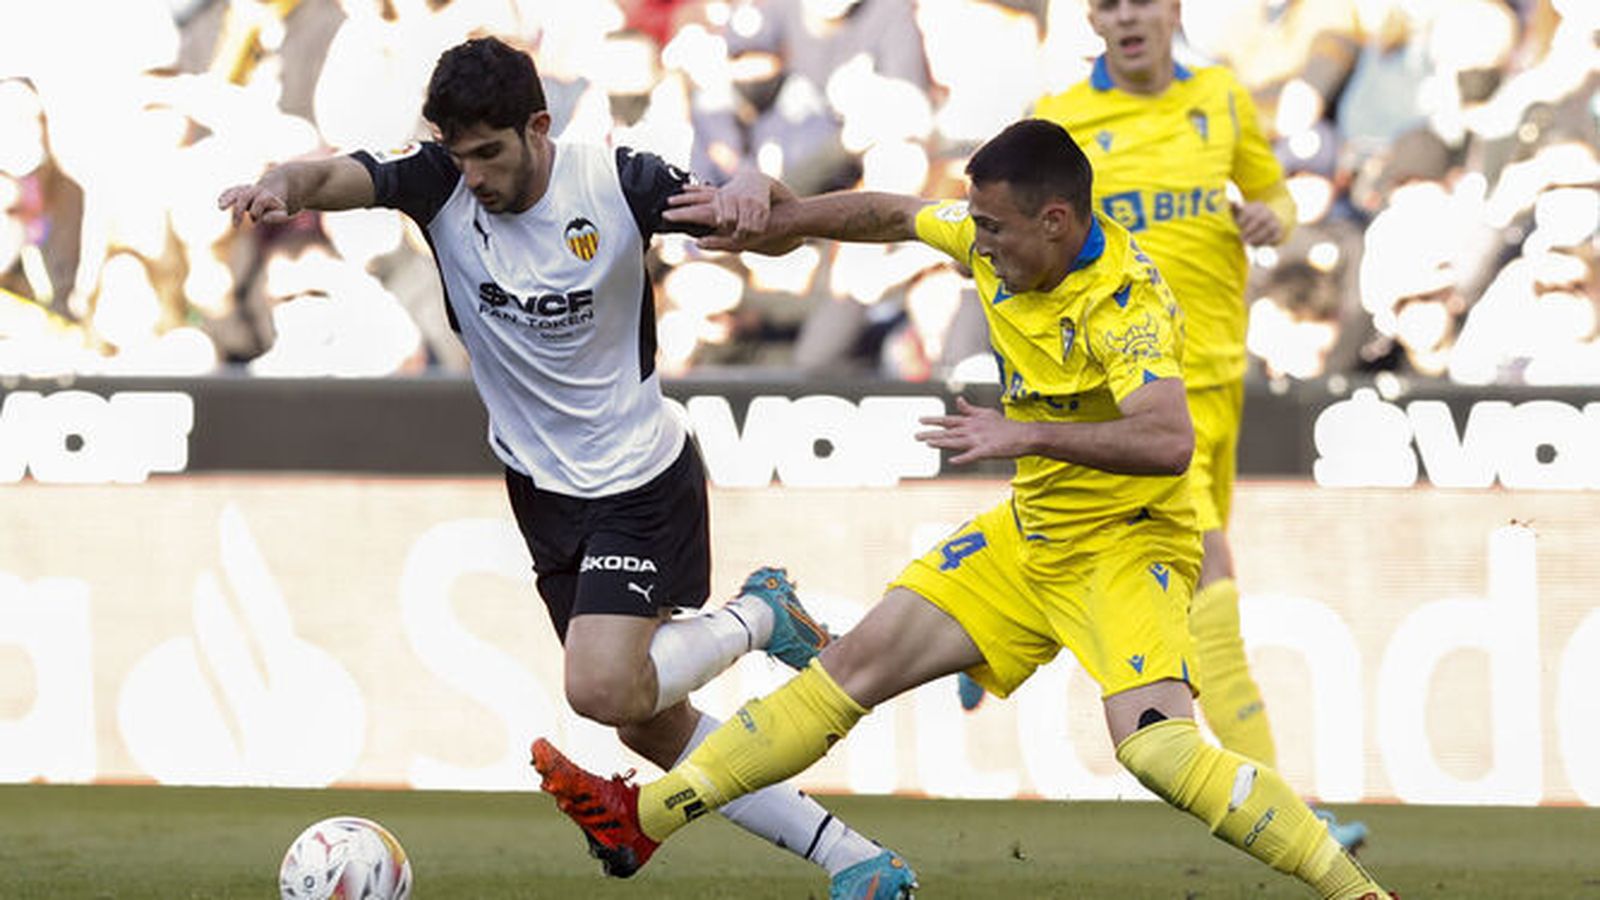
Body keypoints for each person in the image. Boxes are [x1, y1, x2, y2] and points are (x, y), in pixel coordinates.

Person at [531, 118, 1395, 900]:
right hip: (1032, 539)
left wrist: (1026, 434)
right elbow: (897, 216)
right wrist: (792, 220)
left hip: (1126, 549)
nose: (976, 241)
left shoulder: (1122, 305)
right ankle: (644, 819)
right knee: (850, 669)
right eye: (975, 224)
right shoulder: (994, 239)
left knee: (1156, 749)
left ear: (1055, 222)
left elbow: (1169, 439)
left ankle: (1359, 895)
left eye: (993, 228)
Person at [216, 35, 915, 900]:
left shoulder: (617, 185)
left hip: (637, 479)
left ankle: (758, 616)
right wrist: (280, 184)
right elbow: (329, 176)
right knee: (650, 729)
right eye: (458, 154)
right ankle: (857, 863)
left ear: (538, 127)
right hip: (542, 494)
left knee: (600, 686)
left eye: (489, 153)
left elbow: (766, 234)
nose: (472, 175)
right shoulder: (437, 184)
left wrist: (748, 199)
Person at [1028, 0, 1369, 849]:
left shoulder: (1220, 95)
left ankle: (1021, 623)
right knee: (1211, 570)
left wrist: (1272, 220)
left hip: (1222, 373)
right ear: (1093, 22)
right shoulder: (1061, 119)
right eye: (1107, 4)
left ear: (1172, 9)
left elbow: (1276, 194)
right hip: (1139, 390)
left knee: (1172, 572)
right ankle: (1291, 808)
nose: (1127, 16)